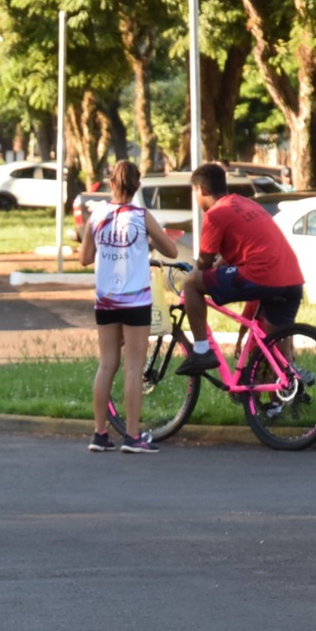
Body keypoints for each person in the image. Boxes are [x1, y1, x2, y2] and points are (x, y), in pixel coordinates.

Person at [78, 160, 180, 453]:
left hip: (105, 300)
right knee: (134, 366)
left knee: (107, 364)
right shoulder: (141, 216)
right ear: (137, 187)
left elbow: (84, 258)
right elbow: (171, 250)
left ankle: (99, 433)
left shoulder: (96, 216)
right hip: (136, 300)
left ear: (111, 183)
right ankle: (133, 436)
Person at [172, 163, 307, 379]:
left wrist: (193, 275)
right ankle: (287, 389)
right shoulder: (245, 203)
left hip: (263, 275)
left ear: (202, 190)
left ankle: (201, 351)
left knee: (191, 284)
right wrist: (214, 270)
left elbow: (204, 262)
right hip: (292, 279)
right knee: (275, 345)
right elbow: (237, 250)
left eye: (194, 193)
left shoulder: (216, 213)